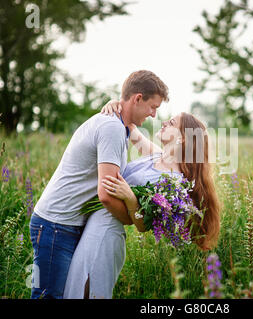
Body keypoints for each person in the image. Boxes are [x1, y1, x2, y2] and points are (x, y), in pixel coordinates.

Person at [29, 70, 169, 299]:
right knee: (47, 296)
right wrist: (130, 218)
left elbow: (158, 156)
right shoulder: (112, 128)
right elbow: (105, 194)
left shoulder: (119, 126)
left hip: (64, 224)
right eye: (153, 107)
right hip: (56, 224)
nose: (153, 114)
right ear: (138, 98)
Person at [62, 101, 221, 299]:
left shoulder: (173, 184)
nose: (163, 123)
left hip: (106, 231)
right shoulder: (156, 156)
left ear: (182, 139)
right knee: (75, 287)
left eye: (171, 123)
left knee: (87, 290)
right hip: (92, 221)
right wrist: (115, 105)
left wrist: (130, 198)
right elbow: (130, 126)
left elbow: (142, 224)